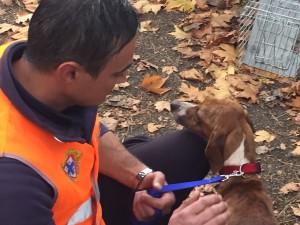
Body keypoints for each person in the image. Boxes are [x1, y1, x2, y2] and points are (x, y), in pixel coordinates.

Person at [0, 0, 230, 224]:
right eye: (117, 73)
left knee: (198, 143)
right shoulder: (15, 189)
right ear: (70, 74)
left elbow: (89, 127)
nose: (124, 80)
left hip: (85, 195)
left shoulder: (40, 62)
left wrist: (138, 175)